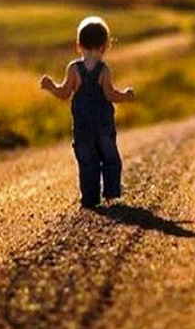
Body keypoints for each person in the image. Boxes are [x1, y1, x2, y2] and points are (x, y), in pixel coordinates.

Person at [40, 16, 135, 209]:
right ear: (104, 47)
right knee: (110, 158)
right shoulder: (103, 70)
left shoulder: (74, 69)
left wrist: (51, 86)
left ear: (79, 45)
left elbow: (64, 93)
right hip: (103, 126)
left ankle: (90, 198)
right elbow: (110, 94)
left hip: (82, 127)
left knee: (87, 162)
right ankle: (111, 192)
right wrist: (125, 96)